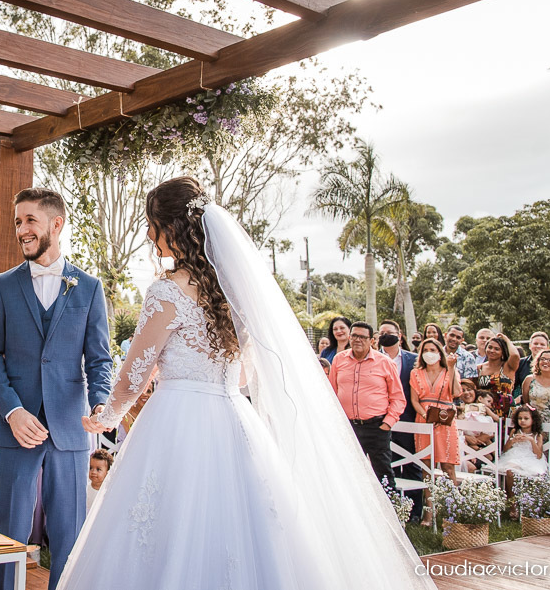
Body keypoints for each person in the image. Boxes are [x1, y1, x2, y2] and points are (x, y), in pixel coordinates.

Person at [59, 178, 432, 590]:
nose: (149, 235)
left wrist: (107, 415)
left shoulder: (167, 291)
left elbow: (136, 371)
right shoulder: (234, 292)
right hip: (233, 413)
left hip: (178, 419)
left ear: (174, 228)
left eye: (152, 224)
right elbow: (244, 372)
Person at [0, 187, 112, 590]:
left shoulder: (88, 288)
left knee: (68, 533)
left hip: (70, 428)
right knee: (9, 532)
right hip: (17, 428)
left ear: (56, 223)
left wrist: (101, 402)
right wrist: (12, 411)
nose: (22, 230)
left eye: (30, 220)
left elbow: (100, 360)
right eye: (18, 222)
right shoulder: (2, 285)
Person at [330, 321, 406, 488]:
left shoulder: (385, 363)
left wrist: (387, 423)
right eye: (354, 336)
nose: (358, 340)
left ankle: (392, 511)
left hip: (376, 427)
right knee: (347, 473)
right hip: (348, 428)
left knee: (383, 474)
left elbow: (398, 398)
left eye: (363, 337)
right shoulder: (339, 360)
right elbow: (332, 394)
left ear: (372, 341)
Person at [377, 320, 422, 521]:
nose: (386, 335)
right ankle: (394, 509)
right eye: (382, 332)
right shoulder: (375, 358)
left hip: (408, 418)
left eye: (390, 332)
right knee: (390, 464)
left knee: (413, 464)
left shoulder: (413, 360)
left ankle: (414, 511)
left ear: (399, 335)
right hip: (383, 419)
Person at [410, 339, 461, 498]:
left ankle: (454, 507)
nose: (429, 353)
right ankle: (430, 510)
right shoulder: (416, 372)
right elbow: (414, 400)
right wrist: (425, 415)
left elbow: (455, 393)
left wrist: (451, 368)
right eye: (425, 350)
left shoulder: (448, 370)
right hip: (423, 418)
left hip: (445, 419)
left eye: (432, 350)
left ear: (440, 352)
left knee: (448, 465)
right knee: (426, 465)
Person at [496, 405, 547, 500]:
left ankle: (527, 500)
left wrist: (531, 440)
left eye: (526, 418)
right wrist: (512, 441)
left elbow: (539, 455)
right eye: (520, 418)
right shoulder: (515, 431)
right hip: (514, 457)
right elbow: (505, 450)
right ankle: (512, 500)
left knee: (525, 473)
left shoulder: (537, 434)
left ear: (533, 420)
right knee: (510, 471)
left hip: (531, 459)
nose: (522, 421)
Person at [475, 333, 519, 417]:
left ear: (503, 351)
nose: (492, 351)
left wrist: (506, 339)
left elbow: (515, 355)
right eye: (490, 347)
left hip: (505, 407)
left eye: (497, 349)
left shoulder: (507, 367)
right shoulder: (479, 368)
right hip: (486, 409)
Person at [513, 331, 550, 402]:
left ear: (547, 347)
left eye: (542, 344)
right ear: (530, 346)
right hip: (525, 403)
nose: (538, 346)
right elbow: (513, 385)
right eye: (535, 343)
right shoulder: (520, 363)